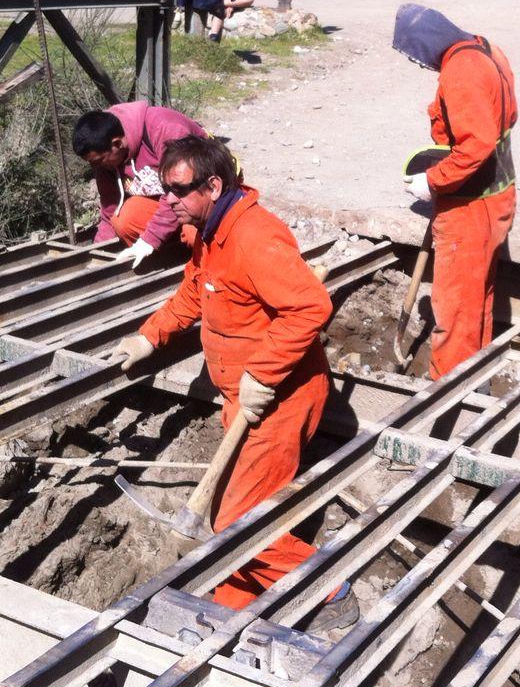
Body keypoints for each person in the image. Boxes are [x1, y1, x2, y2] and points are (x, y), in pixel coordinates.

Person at [114, 136, 358, 631]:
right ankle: (229, 601)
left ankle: (332, 590)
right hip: (242, 395)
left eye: (179, 190)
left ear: (214, 184)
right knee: (237, 508)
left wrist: (262, 375)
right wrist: (147, 338)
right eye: (163, 189)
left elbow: (310, 306)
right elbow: (192, 294)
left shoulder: (253, 237)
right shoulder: (209, 230)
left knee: (235, 523)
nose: (169, 201)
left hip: (278, 398)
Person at [395, 4, 518, 379]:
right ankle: (475, 379)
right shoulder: (486, 50)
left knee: (455, 309)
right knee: (476, 300)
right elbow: (505, 119)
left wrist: (431, 182)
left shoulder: (461, 70)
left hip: (469, 206)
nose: (423, 66)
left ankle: (447, 390)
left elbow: (475, 147)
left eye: (417, 57)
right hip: (497, 198)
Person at [72, 102, 207, 268]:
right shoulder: (105, 161)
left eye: (98, 161)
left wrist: (150, 239)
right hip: (170, 207)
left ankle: (203, 267)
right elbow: (110, 208)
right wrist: (99, 255)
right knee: (124, 217)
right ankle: (170, 258)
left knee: (192, 233)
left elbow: (183, 191)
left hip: (200, 199)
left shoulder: (165, 129)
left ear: (117, 144)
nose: (96, 168)